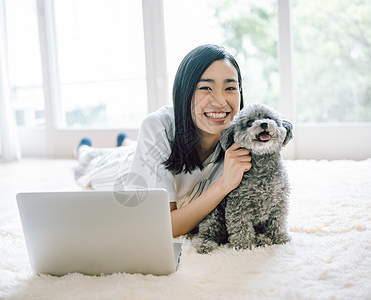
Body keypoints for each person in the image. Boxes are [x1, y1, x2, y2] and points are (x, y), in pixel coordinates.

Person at [74, 44, 252, 237]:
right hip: (125, 173)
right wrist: (223, 185)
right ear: (184, 92)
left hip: (154, 154)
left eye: (230, 88)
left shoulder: (243, 138)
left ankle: (126, 142)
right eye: (206, 87)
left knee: (137, 148)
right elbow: (162, 227)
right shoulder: (157, 125)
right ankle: (84, 150)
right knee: (90, 164)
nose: (220, 101)